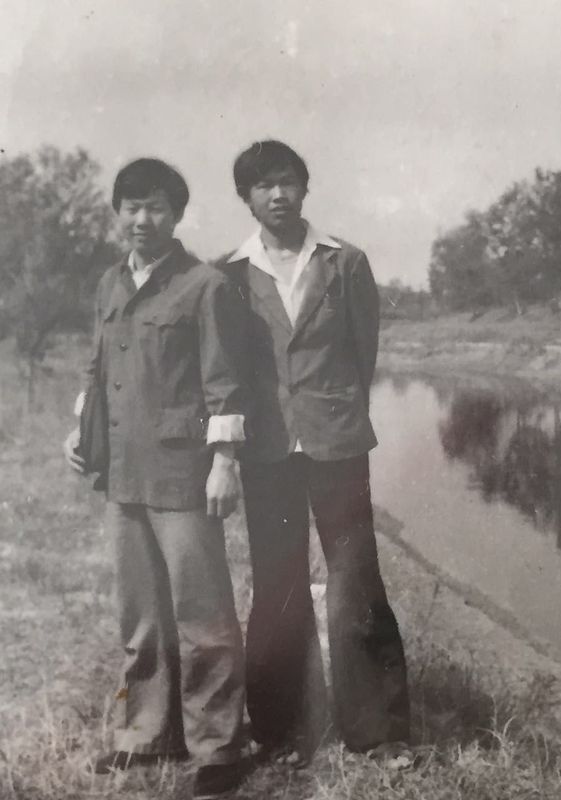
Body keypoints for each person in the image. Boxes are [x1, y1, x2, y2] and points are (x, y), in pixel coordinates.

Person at [63, 158, 250, 799]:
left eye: (156, 208)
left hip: (183, 475)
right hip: (123, 475)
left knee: (203, 617)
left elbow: (225, 385)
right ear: (118, 213)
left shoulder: (204, 286)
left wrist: (224, 463)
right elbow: (96, 371)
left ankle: (218, 747)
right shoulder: (110, 283)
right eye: (132, 207)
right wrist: (79, 431)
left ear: (176, 216)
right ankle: (145, 734)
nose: (142, 219)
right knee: (140, 617)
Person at [223, 139, 410, 760]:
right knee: (277, 583)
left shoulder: (344, 261)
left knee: (355, 579)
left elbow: (363, 354)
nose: (278, 195)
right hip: (267, 450)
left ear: (305, 188)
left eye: (288, 182)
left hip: (337, 441)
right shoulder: (230, 273)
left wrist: (334, 412)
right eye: (264, 185)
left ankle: (378, 732)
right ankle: (281, 729)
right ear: (246, 198)